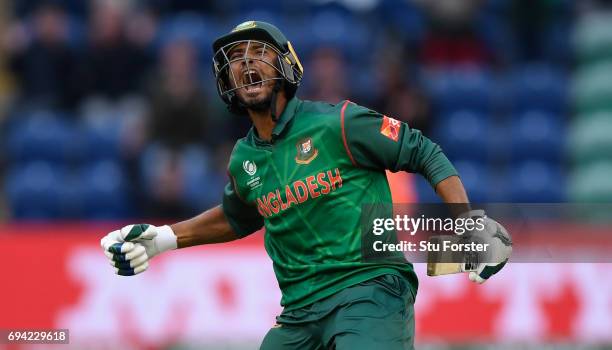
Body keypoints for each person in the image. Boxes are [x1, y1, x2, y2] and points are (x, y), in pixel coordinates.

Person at [100, 21, 510, 349]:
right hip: (298, 314)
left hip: (367, 292)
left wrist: (467, 228)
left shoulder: (340, 123)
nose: (245, 63)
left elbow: (423, 151)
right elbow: (236, 216)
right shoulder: (244, 160)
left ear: (286, 67)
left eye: (259, 53)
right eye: (235, 59)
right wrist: (166, 238)